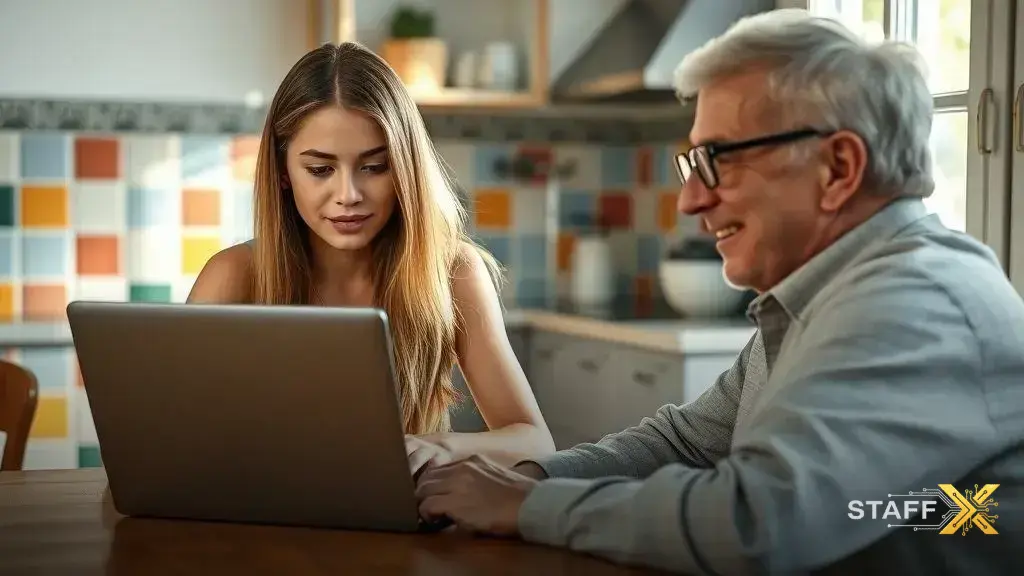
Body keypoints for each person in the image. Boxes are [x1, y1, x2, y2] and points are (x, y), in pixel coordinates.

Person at [412, 9, 1024, 574]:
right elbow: (684, 444)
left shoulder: (918, 302)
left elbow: (758, 521)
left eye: (719, 162)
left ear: (838, 168)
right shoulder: (816, 299)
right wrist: (522, 477)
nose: (690, 200)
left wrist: (525, 508)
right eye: (692, 165)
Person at [187, 42, 555, 476]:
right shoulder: (233, 276)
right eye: (321, 170)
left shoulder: (454, 272)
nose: (348, 196)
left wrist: (439, 447)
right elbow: (168, 441)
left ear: (405, 167)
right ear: (283, 173)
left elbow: (536, 442)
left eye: (375, 167)